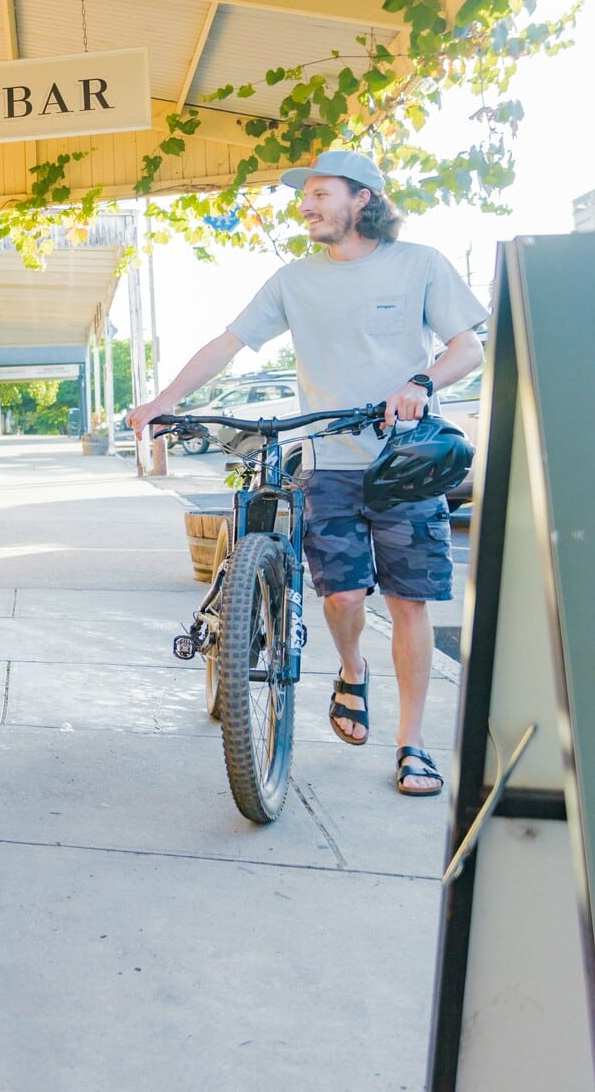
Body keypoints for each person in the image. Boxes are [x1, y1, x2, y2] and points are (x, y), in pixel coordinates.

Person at [128, 149, 486, 797]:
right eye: (305, 196)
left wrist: (421, 380)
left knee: (408, 601)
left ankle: (412, 744)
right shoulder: (294, 280)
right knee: (343, 595)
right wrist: (162, 401)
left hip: (406, 458)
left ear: (364, 200)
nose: (307, 205)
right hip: (329, 461)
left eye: (322, 194)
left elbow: (468, 346)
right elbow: (228, 344)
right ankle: (351, 668)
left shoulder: (420, 266)